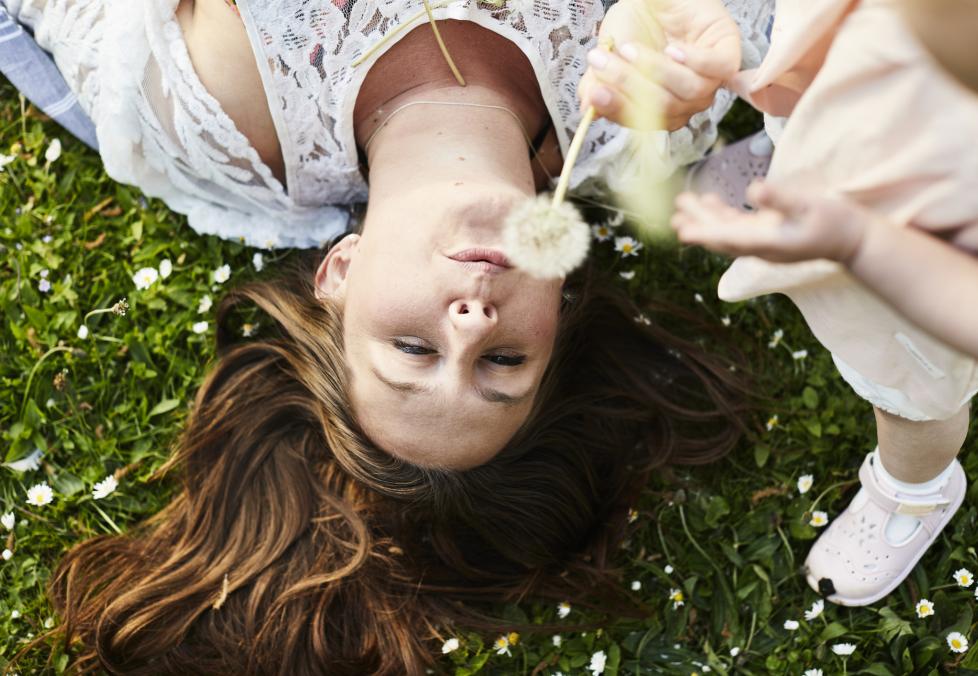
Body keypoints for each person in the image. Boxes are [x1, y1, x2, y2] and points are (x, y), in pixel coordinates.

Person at [2, 0, 773, 671]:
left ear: (340, 272)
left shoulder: (221, 113)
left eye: (414, 351)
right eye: (504, 362)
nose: (471, 325)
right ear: (559, 299)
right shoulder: (650, 121)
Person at [666, 0, 978, 607]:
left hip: (917, 255)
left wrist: (860, 243)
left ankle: (914, 484)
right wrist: (759, 82)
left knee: (908, 384)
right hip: (855, 104)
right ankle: (794, 144)